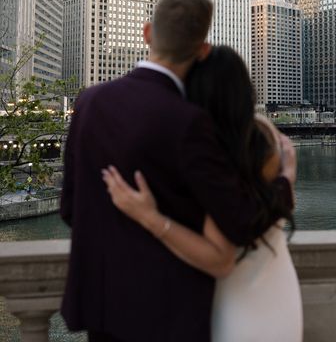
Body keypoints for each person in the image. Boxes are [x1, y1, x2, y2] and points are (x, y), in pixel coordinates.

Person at [60, 0, 295, 342]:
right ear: (202, 50)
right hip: (169, 315)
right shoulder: (190, 121)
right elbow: (241, 220)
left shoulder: (89, 101)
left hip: (103, 309)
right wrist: (286, 180)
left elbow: (70, 209)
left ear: (147, 33)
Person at [102, 45, 303, 342]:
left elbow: (219, 258)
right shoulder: (266, 133)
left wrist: (150, 217)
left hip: (234, 306)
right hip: (280, 292)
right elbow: (278, 206)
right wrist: (287, 178)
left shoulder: (212, 152)